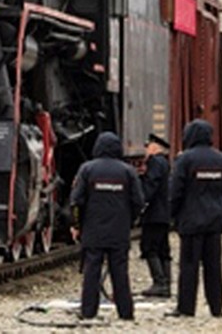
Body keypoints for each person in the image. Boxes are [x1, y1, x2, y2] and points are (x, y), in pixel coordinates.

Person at [69, 131, 144, 321]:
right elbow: (138, 202)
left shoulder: (87, 170)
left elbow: (76, 201)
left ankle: (88, 311)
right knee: (120, 272)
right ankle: (126, 312)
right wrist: (129, 221)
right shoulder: (128, 171)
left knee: (91, 271)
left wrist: (76, 225)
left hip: (93, 231)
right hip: (119, 231)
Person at [168, 119, 222, 319]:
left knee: (188, 266)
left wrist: (172, 215)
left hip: (191, 221)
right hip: (214, 221)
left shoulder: (185, 160)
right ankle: (216, 308)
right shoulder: (221, 160)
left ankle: (186, 308)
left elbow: (176, 191)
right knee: (213, 267)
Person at [139, 132, 172, 298]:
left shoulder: (155, 163)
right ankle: (166, 282)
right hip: (164, 213)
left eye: (147, 146)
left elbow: (150, 185)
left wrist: (141, 201)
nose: (145, 149)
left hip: (154, 214)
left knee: (150, 247)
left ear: (154, 147)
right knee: (163, 249)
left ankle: (160, 283)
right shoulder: (165, 163)